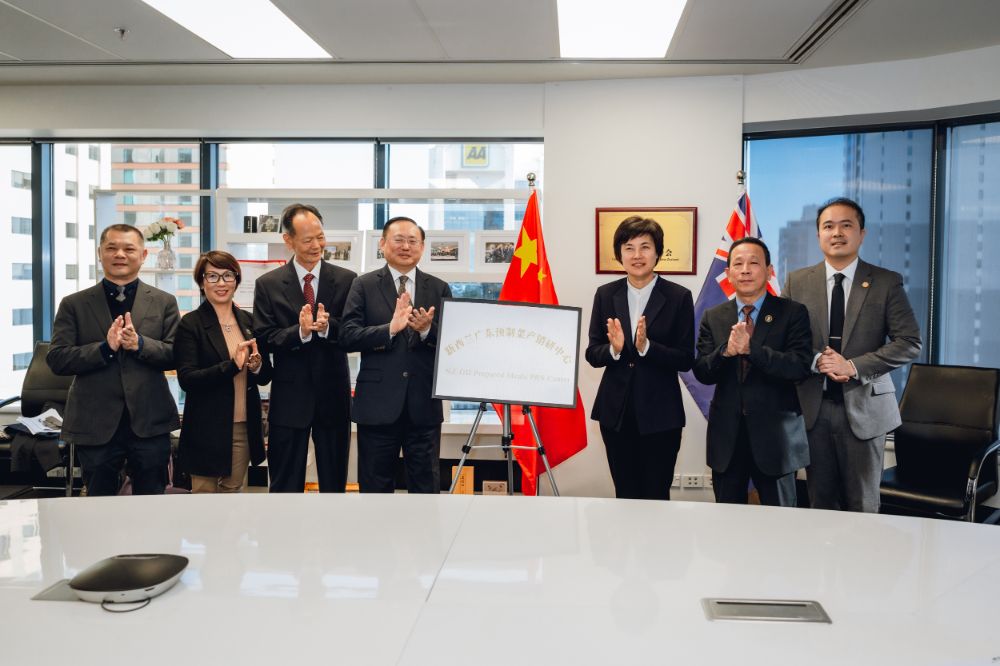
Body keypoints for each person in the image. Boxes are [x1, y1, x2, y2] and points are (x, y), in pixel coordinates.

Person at [783, 197, 922, 513]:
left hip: (866, 407)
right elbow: (786, 340)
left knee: (863, 505)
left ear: (862, 234)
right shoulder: (797, 282)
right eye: (828, 226)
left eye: (846, 225)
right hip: (813, 407)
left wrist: (853, 366)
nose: (837, 233)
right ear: (818, 235)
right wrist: (816, 360)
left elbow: (909, 341)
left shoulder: (885, 282)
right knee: (820, 503)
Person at [47, 223, 179, 496]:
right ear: (100, 253)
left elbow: (176, 355)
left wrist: (140, 344)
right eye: (112, 248)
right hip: (94, 422)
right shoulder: (74, 304)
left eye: (129, 249)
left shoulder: (164, 301)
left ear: (143, 255)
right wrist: (104, 349)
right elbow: (58, 359)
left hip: (150, 420)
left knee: (153, 503)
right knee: (99, 504)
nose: (120, 254)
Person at [693, 237, 812, 507]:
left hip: (777, 440)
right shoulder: (714, 316)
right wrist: (726, 352)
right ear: (728, 274)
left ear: (769, 271)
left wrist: (751, 349)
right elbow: (702, 371)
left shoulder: (792, 313)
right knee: (728, 521)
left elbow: (799, 366)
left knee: (780, 521)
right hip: (727, 440)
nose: (745, 270)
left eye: (754, 263)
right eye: (738, 264)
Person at [340, 216, 452, 493]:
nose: (405, 246)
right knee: (375, 487)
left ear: (422, 247)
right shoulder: (363, 285)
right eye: (398, 240)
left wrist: (427, 331)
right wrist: (388, 330)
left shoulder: (438, 287)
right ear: (382, 244)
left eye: (412, 241)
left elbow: (452, 344)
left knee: (425, 486)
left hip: (423, 405)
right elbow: (347, 336)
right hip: (377, 405)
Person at [585, 216, 694, 500]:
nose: (637, 255)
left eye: (645, 247)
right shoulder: (606, 294)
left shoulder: (679, 296)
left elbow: (686, 358)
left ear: (658, 253)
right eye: (629, 248)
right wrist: (615, 349)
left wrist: (647, 347)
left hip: (661, 415)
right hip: (616, 413)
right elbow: (592, 353)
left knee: (656, 494)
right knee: (625, 493)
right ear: (619, 254)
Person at [253, 203, 357, 493]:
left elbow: (352, 333)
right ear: (288, 240)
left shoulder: (347, 280)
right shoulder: (269, 284)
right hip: (290, 398)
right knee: (284, 484)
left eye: (320, 237)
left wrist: (327, 328)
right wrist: (299, 333)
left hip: (333, 396)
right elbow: (265, 337)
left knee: (334, 484)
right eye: (308, 240)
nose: (316, 246)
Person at [175, 251, 272, 493]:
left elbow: (265, 375)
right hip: (205, 427)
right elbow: (187, 379)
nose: (221, 283)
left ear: (236, 280)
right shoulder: (191, 324)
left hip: (242, 427)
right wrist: (231, 366)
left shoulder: (249, 322)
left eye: (228, 275)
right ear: (201, 282)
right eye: (212, 276)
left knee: (232, 496)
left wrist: (256, 366)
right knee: (204, 497)